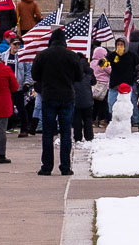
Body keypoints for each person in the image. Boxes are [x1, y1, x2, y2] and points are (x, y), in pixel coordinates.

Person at [31, 28, 83, 175]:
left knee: (48, 133)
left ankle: (46, 167)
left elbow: (35, 75)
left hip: (48, 96)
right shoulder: (72, 56)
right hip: (67, 97)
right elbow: (79, 77)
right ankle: (65, 167)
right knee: (66, 133)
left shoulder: (42, 55)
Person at [104, 37, 139, 128]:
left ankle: (134, 121)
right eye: (118, 45)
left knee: (129, 104)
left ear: (125, 46)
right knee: (111, 103)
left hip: (127, 85)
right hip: (114, 84)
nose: (120, 47)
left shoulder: (132, 56)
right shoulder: (112, 55)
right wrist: (102, 62)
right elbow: (103, 62)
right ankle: (113, 120)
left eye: (121, 45)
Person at [72, 49, 97, 141]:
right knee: (88, 119)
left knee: (77, 119)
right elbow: (94, 82)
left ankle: (77, 137)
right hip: (87, 99)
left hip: (75, 98)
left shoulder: (72, 70)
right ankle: (89, 136)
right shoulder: (89, 70)